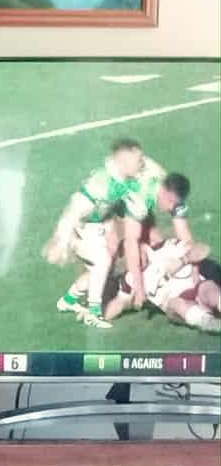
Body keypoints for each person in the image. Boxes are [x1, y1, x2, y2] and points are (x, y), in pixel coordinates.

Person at [45, 138, 166, 324]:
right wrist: (61, 242)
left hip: (97, 227)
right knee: (102, 261)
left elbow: (149, 169)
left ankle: (69, 300)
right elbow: (74, 210)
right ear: (123, 161)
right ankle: (94, 313)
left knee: (100, 270)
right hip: (81, 228)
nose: (141, 163)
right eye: (138, 160)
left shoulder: (124, 173)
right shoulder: (101, 184)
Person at [98, 174, 221, 332]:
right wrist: (96, 312)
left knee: (208, 289)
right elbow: (117, 305)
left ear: (142, 246)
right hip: (176, 305)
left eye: (134, 252)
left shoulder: (165, 248)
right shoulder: (130, 280)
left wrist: (182, 261)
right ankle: (211, 324)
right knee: (176, 304)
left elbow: (203, 249)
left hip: (197, 287)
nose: (134, 258)